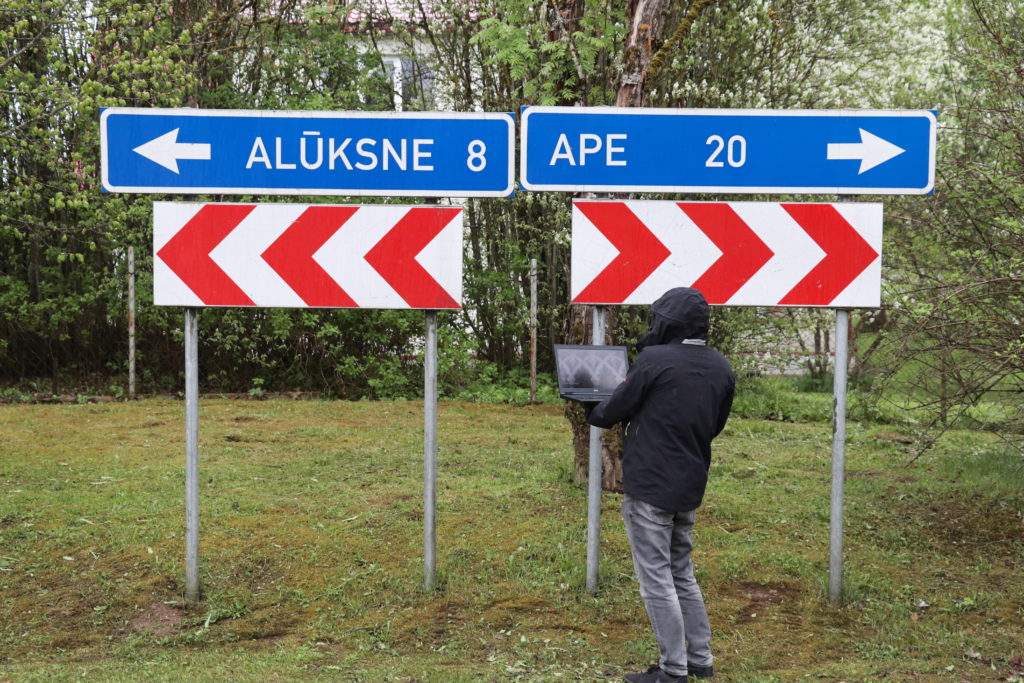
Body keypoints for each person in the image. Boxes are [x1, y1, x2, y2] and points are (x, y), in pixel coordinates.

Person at [586, 287, 735, 683]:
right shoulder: (721, 366)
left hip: (650, 485)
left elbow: (612, 411)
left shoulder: (654, 360)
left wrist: (591, 407)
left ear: (667, 322)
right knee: (681, 573)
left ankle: (673, 670)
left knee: (656, 578)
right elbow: (715, 425)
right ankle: (700, 659)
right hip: (689, 483)